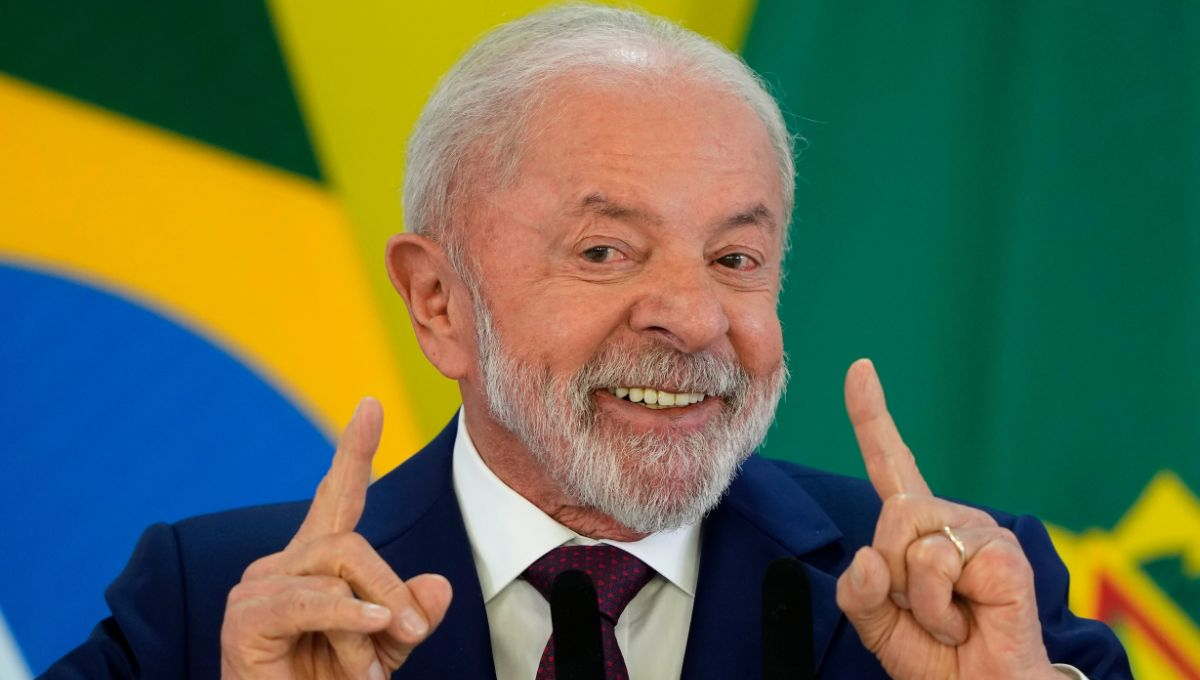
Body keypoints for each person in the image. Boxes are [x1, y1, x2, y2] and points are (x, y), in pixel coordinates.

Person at [44, 5, 1130, 679]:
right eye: (607, 251)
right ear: (438, 301)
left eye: (736, 257)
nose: (694, 318)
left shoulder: (966, 601)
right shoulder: (208, 606)